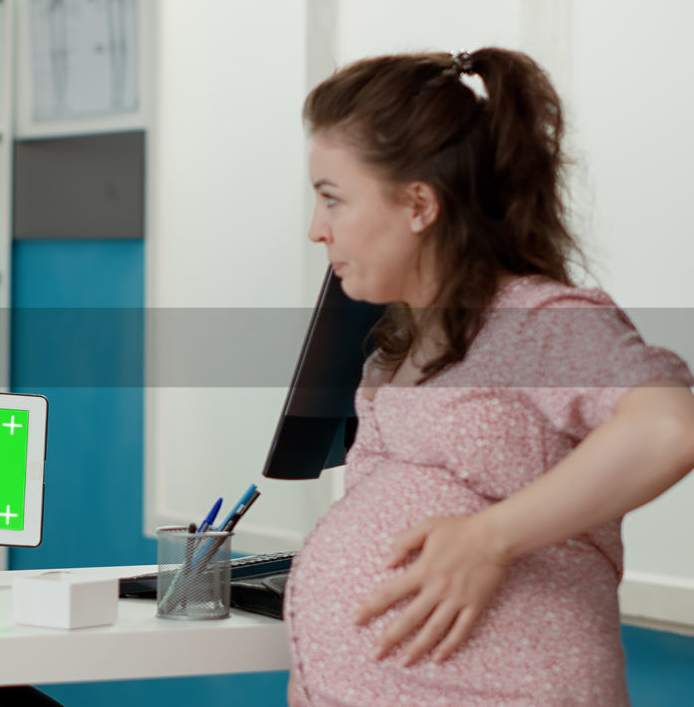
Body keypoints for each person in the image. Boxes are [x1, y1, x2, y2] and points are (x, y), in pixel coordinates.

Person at [285, 48, 694, 705]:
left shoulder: (536, 322)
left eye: (332, 200)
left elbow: (670, 428)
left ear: (418, 204)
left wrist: (489, 539)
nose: (316, 230)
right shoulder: (393, 353)